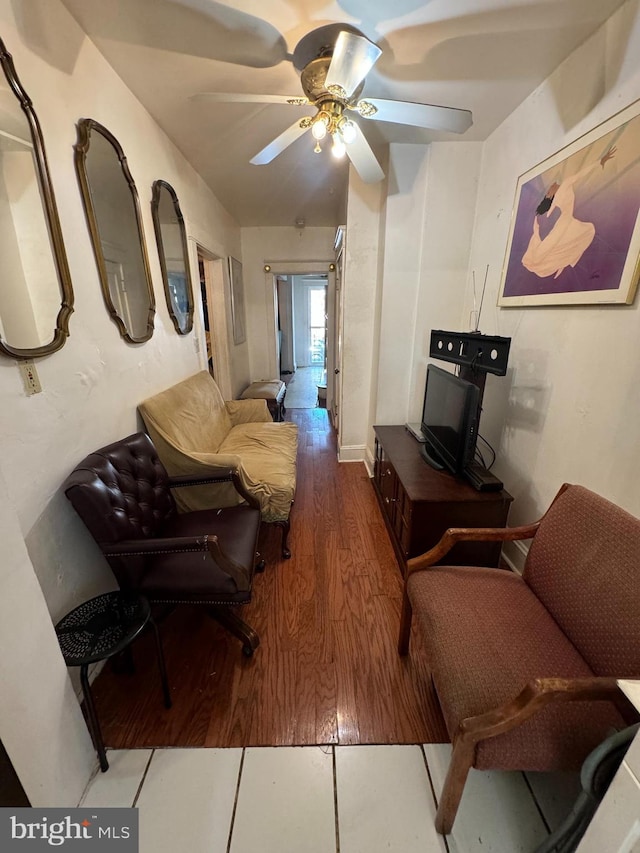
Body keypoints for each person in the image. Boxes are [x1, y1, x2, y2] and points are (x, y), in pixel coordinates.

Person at [522, 147, 616, 279]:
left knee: (586, 231)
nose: (550, 188)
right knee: (544, 249)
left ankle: (555, 261)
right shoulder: (552, 200)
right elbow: (546, 213)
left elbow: (579, 175)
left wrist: (599, 162)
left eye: (551, 187)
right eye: (549, 189)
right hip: (562, 223)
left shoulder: (565, 184)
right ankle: (542, 262)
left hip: (565, 222)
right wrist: (537, 229)